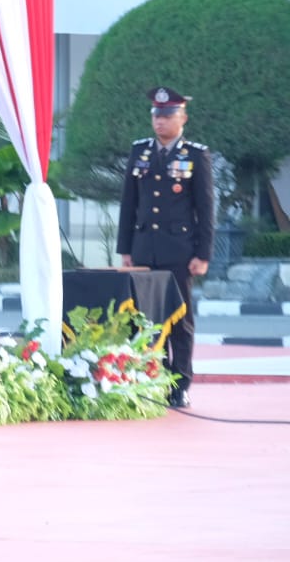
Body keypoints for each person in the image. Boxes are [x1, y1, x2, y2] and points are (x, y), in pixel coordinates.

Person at [116, 86, 214, 409]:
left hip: (179, 252)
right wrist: (125, 248)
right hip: (144, 250)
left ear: (183, 118)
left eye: (168, 115)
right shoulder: (140, 151)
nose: (160, 121)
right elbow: (129, 204)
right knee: (144, 319)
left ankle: (179, 383)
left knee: (179, 320)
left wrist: (203, 254)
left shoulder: (195, 155)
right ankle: (151, 378)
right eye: (156, 115)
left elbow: (205, 208)